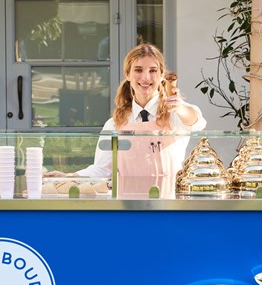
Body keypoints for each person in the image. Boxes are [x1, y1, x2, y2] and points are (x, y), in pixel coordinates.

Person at [45, 43, 207, 197]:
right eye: (138, 70)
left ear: (161, 75)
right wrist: (70, 176)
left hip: (168, 203)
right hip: (128, 205)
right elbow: (102, 169)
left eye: (152, 70)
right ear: (127, 74)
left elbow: (197, 121)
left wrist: (180, 108)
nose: (145, 77)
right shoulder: (115, 123)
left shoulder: (175, 113)